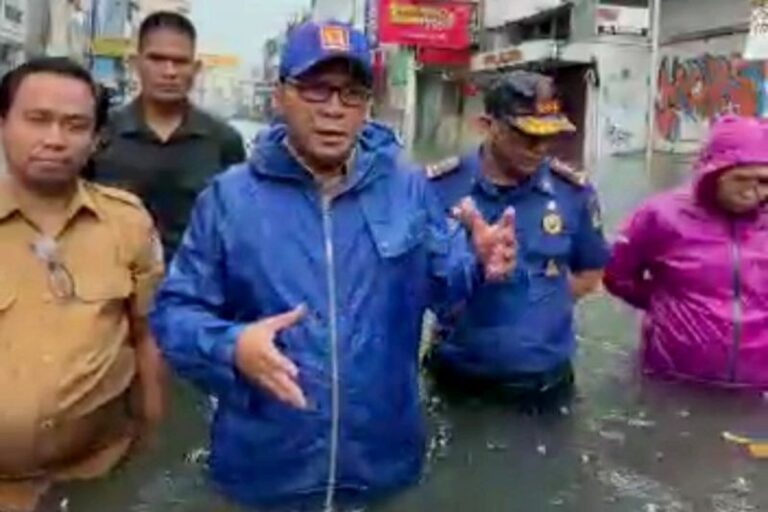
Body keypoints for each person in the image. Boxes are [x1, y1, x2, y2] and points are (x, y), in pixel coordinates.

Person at [150, 21, 516, 511]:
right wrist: (232, 346)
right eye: (316, 89)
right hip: (264, 473)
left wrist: (479, 262)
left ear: (368, 104)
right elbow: (173, 315)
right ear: (280, 96)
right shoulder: (229, 200)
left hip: (383, 470)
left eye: (351, 93)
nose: (333, 110)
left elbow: (445, 289)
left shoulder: (406, 190)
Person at [0, 57, 165, 512]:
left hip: (96, 480)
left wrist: (150, 439)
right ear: (3, 123)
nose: (55, 139)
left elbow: (147, 335)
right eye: (37, 120)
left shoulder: (127, 222)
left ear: (95, 139)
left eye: (74, 125)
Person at [424, 71, 609, 408]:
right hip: (457, 379)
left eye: (548, 136)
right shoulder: (437, 189)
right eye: (524, 135)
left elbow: (591, 273)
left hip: (545, 383)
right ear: (487, 124)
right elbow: (415, 284)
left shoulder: (573, 193)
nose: (538, 148)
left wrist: (537, 307)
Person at [604, 115, 768, 388]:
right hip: (674, 376)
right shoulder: (661, 216)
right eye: (740, 179)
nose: (752, 192)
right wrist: (667, 305)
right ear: (714, 173)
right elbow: (616, 274)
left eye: (763, 182)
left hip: (758, 383)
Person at [92, 11, 245, 259]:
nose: (169, 71)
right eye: (157, 59)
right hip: (112, 283)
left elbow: (236, 223)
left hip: (196, 288)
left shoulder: (223, 141)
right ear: (135, 63)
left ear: (195, 69)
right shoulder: (102, 133)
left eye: (180, 61)